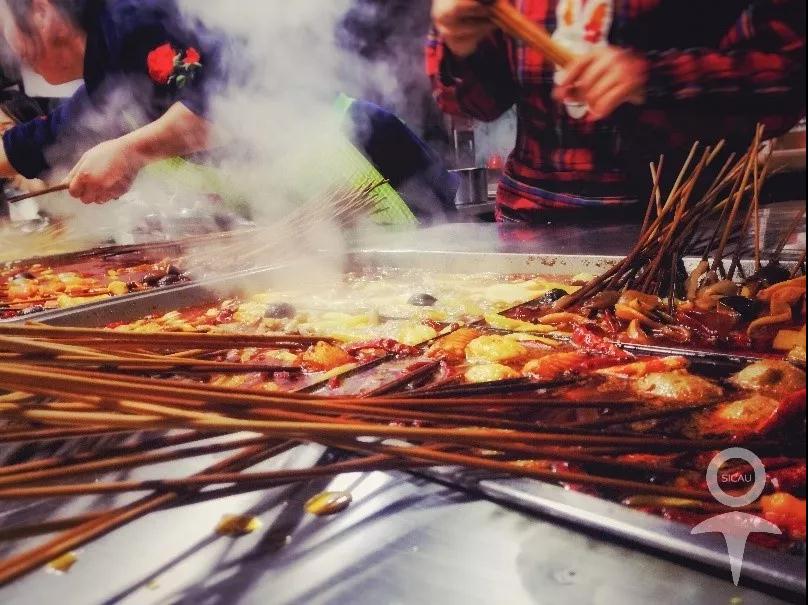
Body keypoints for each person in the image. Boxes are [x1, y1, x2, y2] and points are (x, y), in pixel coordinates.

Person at [427, 0, 806, 223]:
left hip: (683, 225)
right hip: (531, 219)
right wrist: (460, 44)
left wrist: (655, 76)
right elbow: (473, 104)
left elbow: (788, 78)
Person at [0, 0, 225, 205]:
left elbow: (221, 109)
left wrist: (128, 153)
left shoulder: (135, 18)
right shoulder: (105, 54)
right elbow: (54, 133)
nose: (9, 50)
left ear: (41, 11)